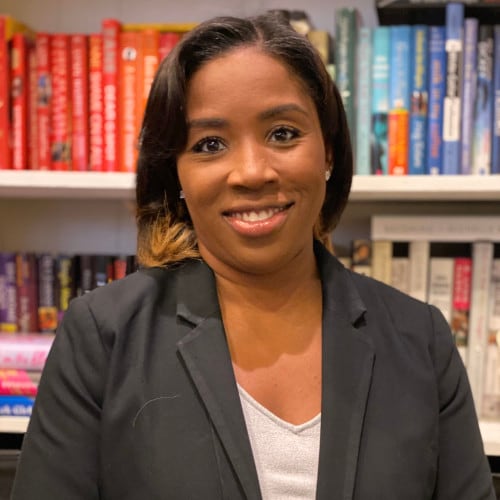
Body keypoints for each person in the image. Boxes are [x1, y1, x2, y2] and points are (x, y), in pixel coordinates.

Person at [11, 12, 495, 500]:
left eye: (282, 133)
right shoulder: (103, 337)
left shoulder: (421, 340)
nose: (251, 172)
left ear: (328, 150)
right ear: (175, 172)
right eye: (210, 144)